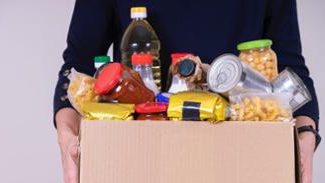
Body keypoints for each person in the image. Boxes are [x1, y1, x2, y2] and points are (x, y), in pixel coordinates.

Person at [53, 0, 321, 183]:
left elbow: (288, 66)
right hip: (141, 149)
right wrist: (68, 136)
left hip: (239, 147)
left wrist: (305, 136)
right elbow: (80, 61)